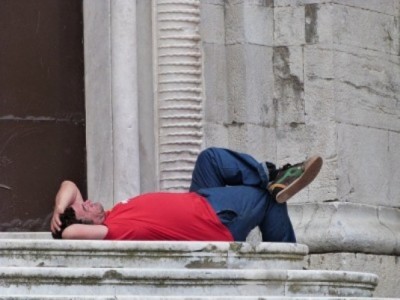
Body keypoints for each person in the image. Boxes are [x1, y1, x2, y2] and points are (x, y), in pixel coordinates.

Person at [50, 147, 322, 242]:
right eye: (84, 208)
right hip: (214, 221)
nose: (85, 201)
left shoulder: (111, 213)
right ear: (91, 227)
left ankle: (271, 176)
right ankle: (287, 262)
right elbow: (71, 235)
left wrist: (58, 210)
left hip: (200, 201)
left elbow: (69, 185)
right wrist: (62, 228)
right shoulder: (112, 231)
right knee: (267, 198)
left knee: (211, 158)